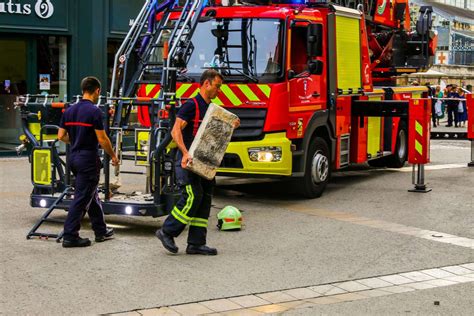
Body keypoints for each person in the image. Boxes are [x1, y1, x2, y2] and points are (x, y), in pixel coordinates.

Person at [156, 69, 239, 255]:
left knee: (205, 199)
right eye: (217, 86)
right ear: (206, 84)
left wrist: (231, 125)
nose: (219, 90)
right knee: (193, 196)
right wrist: (185, 153)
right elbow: (175, 131)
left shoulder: (212, 109)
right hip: (188, 161)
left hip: (205, 163)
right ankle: (167, 231)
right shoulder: (190, 105)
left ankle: (196, 243)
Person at [58, 77, 119, 248]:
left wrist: (76, 140)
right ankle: (70, 235)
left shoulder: (69, 110)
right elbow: (102, 139)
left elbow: (61, 136)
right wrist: (113, 156)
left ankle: (101, 230)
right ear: (97, 91)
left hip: (74, 158)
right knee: (82, 197)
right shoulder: (94, 112)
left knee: (90, 194)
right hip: (88, 159)